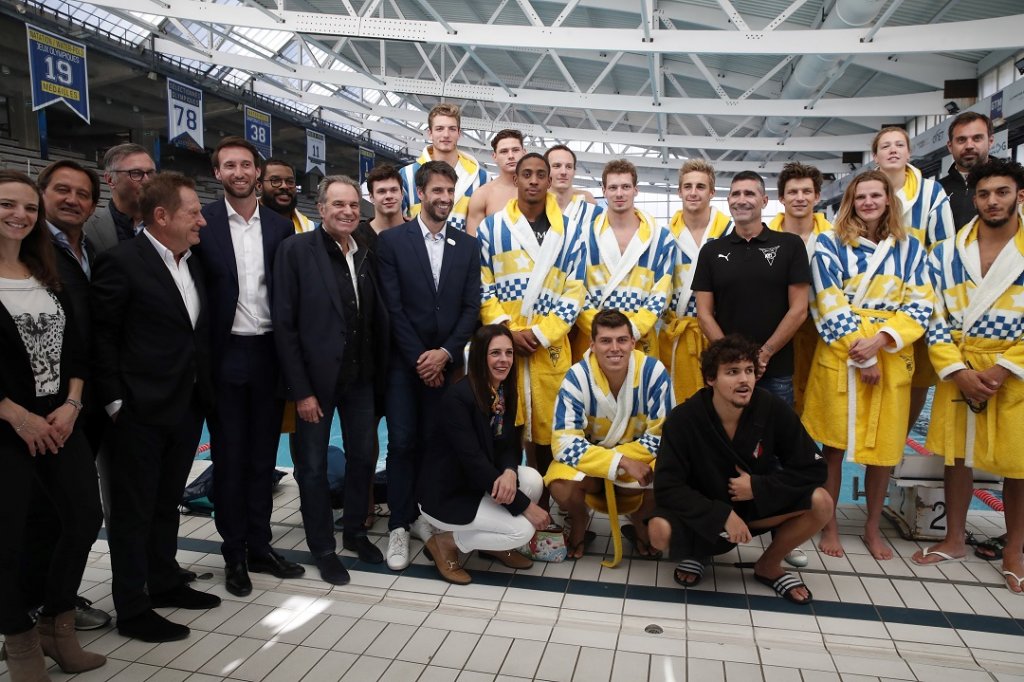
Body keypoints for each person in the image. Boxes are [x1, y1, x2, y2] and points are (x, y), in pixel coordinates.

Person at [92, 172, 220, 642]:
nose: (202, 221)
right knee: (132, 512)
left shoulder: (193, 262)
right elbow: (102, 338)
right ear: (162, 216)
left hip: (185, 405)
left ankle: (164, 581)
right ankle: (131, 606)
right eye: (194, 212)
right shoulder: (121, 263)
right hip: (138, 411)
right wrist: (115, 402)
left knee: (167, 502)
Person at [0, 170, 105, 680]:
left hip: (61, 421)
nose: (19, 215)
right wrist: (17, 415)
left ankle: (55, 624)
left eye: (27, 208)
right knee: (8, 535)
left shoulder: (45, 274)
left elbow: (75, 350)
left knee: (83, 517)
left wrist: (73, 404)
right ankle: (18, 641)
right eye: (6, 205)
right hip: (7, 426)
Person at [802, 170, 933, 560]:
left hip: (889, 352)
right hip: (844, 352)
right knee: (835, 447)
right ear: (851, 202)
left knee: (885, 450)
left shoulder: (910, 248)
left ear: (889, 200)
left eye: (877, 196)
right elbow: (826, 300)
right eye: (861, 197)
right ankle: (830, 524)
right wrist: (863, 353)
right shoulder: (829, 242)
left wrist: (882, 341)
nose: (869, 203)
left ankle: (873, 527)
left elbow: (921, 303)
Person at [647, 335, 831, 604]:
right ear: (711, 379)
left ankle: (768, 564)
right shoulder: (684, 419)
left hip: (751, 507)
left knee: (821, 502)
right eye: (732, 372)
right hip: (705, 511)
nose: (744, 380)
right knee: (659, 530)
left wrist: (757, 486)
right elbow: (667, 487)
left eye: (749, 371)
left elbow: (813, 469)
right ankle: (698, 553)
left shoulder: (771, 409)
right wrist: (720, 514)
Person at [196, 137, 303, 597]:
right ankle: (233, 552)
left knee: (262, 459)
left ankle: (260, 544)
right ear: (218, 173)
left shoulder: (280, 229)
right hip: (225, 356)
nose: (238, 172)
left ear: (257, 173)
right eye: (229, 166)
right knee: (230, 458)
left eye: (245, 165)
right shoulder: (204, 222)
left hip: (267, 356)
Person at [910, 159, 1024, 591]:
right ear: (973, 198)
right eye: (984, 194)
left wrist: (1002, 367)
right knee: (956, 456)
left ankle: (1014, 548)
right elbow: (931, 311)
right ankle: (954, 538)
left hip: (1011, 368)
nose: (992, 201)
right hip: (959, 362)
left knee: (1019, 463)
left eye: (1001, 192)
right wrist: (956, 368)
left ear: (1018, 196)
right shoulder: (946, 252)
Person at [273, 175, 391, 585]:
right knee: (312, 466)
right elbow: (284, 326)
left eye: (353, 206)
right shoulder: (295, 251)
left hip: (360, 379)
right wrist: (301, 391)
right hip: (315, 385)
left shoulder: (365, 251)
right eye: (338, 205)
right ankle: (322, 546)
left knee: (363, 458)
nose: (347, 212)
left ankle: (355, 531)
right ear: (320, 209)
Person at [377, 161, 481, 570]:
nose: (444, 199)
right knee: (402, 442)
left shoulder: (467, 245)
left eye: (449, 192)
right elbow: (393, 307)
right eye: (437, 191)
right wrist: (421, 357)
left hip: (447, 364)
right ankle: (399, 524)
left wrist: (446, 353)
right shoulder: (394, 242)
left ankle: (426, 516)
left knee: (436, 443)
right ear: (420, 193)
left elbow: (471, 307)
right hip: (407, 365)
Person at [23, 161, 110, 632]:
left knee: (69, 512)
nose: (72, 200)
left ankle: (55, 602)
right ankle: (37, 607)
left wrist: (80, 398)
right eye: (61, 190)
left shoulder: (87, 249)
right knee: (49, 513)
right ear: (42, 194)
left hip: (80, 398)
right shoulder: (31, 255)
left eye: (81, 193)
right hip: (38, 406)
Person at [478, 153, 586, 500]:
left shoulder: (570, 232)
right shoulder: (492, 228)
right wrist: (507, 330)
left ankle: (552, 505)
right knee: (505, 425)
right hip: (504, 341)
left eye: (542, 174)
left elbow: (575, 290)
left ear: (550, 180)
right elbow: (483, 285)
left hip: (549, 344)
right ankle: (508, 502)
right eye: (527, 174)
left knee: (553, 428)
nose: (535, 180)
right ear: (517, 180)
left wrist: (540, 333)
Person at [419, 325, 551, 584]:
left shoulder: (503, 389)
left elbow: (509, 444)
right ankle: (444, 542)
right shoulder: (458, 399)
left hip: (479, 483)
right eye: (495, 353)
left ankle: (493, 545)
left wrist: (510, 472)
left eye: (509, 353)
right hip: (449, 493)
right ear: (480, 356)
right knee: (522, 530)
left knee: (532, 479)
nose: (504, 360)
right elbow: (473, 462)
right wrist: (526, 507)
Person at [547, 309, 672, 559]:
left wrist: (617, 461)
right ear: (592, 345)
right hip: (600, 469)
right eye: (605, 341)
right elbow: (563, 443)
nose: (615, 348)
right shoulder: (577, 377)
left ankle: (639, 521)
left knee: (668, 473)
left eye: (622, 340)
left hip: (635, 465)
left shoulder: (653, 372)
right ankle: (580, 520)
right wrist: (619, 462)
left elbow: (663, 436)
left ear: (633, 342)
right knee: (560, 485)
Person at [692, 171, 811, 405]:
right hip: (728, 370)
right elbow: (704, 314)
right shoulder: (711, 251)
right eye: (735, 194)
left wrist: (764, 354)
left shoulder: (790, 245)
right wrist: (734, 360)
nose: (741, 199)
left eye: (749, 193)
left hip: (776, 369)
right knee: (728, 438)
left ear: (764, 201)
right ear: (728, 202)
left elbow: (799, 310)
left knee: (777, 439)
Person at [871, 126, 953, 432]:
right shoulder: (864, 190)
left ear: (909, 152)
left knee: (918, 375)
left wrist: (920, 289)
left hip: (918, 298)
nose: (893, 150)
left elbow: (943, 247)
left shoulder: (932, 193)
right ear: (875, 156)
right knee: (876, 368)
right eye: (885, 146)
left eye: (899, 145)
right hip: (874, 300)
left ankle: (900, 437)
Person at [571, 159, 673, 362]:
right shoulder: (582, 236)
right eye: (613, 187)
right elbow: (576, 289)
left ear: (636, 190)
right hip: (594, 337)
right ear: (604, 190)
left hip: (640, 337)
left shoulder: (660, 237)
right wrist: (601, 333)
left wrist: (633, 330)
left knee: (641, 390)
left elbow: (663, 291)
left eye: (626, 187)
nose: (619, 194)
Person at [658, 159, 733, 405]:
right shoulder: (665, 236)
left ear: (712, 192)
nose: (693, 192)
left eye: (700, 187)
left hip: (721, 329)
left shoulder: (730, 233)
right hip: (679, 332)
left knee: (722, 402)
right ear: (679, 191)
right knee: (681, 403)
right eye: (687, 186)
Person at [768, 162, 833, 415]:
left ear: (817, 196)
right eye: (793, 192)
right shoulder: (764, 239)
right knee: (781, 408)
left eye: (806, 191)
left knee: (822, 407)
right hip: (778, 332)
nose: (800, 198)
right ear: (781, 198)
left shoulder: (836, 238)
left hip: (822, 333)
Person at [400, 103, 487, 232]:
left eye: (452, 129)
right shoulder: (407, 175)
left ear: (459, 133)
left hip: (463, 251)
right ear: (430, 133)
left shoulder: (480, 178)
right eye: (439, 129)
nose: (446, 135)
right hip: (417, 249)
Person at [84, 143, 157, 253]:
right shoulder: (86, 228)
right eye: (136, 173)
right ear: (110, 180)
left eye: (150, 173)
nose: (147, 181)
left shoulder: (169, 224)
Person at [940, 112, 995, 231]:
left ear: (990, 141)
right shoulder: (936, 191)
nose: (969, 145)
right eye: (961, 140)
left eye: (977, 138)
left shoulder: (1013, 185)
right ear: (950, 146)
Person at [466, 129, 526, 234]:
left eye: (515, 150)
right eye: (504, 151)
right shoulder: (482, 195)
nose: (511, 156)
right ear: (494, 157)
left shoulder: (543, 192)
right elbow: (473, 242)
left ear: (524, 153)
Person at [545, 145, 598, 231]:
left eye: (569, 167)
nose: (563, 172)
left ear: (574, 171)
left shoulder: (587, 203)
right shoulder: (532, 206)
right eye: (557, 166)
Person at [259, 157, 315, 233]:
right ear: (259, 186)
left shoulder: (312, 229)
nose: (284, 186)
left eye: (290, 181)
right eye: (275, 181)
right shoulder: (241, 224)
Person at [358, 163, 405, 245]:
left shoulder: (419, 232)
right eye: (381, 191)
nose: (389, 196)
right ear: (371, 197)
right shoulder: (356, 236)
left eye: (394, 190)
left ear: (402, 194)